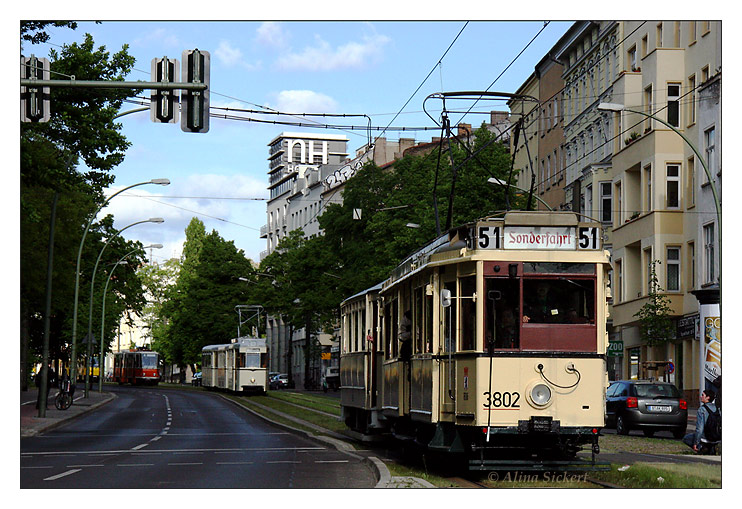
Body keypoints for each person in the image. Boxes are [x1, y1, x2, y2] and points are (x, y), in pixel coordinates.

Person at [682, 389, 719, 454]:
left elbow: (699, 429)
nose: (700, 397)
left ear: (708, 397)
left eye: (703, 395)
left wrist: (696, 443)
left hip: (705, 437)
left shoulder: (702, 409)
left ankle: (701, 448)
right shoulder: (717, 409)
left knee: (686, 438)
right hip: (716, 437)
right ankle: (711, 448)